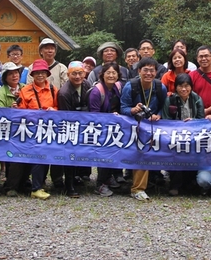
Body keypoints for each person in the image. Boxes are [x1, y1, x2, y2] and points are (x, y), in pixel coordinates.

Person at [120, 57, 165, 201]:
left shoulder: (160, 87)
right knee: (141, 154)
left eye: (152, 70)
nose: (149, 73)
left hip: (153, 126)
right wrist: (133, 110)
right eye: (145, 70)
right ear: (139, 71)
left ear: (156, 72)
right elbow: (123, 108)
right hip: (135, 126)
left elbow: (165, 107)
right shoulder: (130, 86)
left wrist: (158, 115)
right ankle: (137, 188)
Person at [13, 59, 58, 200]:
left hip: (47, 129)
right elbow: (20, 112)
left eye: (43, 72)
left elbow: (59, 108)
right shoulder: (25, 91)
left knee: (44, 157)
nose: (40, 75)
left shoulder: (53, 89)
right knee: (36, 157)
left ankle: (38, 184)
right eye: (37, 73)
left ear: (47, 74)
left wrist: (54, 110)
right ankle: (34, 187)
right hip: (29, 129)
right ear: (32, 75)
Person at [160, 73, 204, 195]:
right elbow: (166, 119)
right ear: (175, 87)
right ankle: (175, 184)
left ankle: (190, 184)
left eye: (187, 86)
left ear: (191, 86)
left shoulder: (197, 99)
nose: (184, 89)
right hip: (174, 135)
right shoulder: (170, 100)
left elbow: (202, 119)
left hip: (194, 135)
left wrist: (193, 122)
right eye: (180, 86)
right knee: (175, 153)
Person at [56, 61, 93, 197]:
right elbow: (66, 116)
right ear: (68, 75)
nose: (78, 76)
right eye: (74, 74)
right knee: (70, 154)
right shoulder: (63, 93)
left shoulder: (86, 84)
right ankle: (69, 185)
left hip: (85, 124)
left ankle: (80, 176)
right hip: (70, 126)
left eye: (80, 73)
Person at [89, 62, 124, 196]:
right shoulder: (97, 91)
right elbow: (94, 115)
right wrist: (110, 117)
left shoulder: (118, 87)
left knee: (114, 153)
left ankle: (108, 177)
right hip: (100, 128)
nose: (111, 75)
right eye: (108, 73)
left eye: (113, 73)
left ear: (118, 75)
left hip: (114, 127)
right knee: (104, 155)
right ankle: (100, 184)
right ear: (102, 75)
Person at [0, 62, 25, 185]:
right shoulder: (1, 93)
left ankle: (23, 180)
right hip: (9, 131)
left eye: (16, 73)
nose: (14, 76)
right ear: (5, 77)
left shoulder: (24, 88)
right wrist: (9, 110)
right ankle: (10, 184)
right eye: (10, 74)